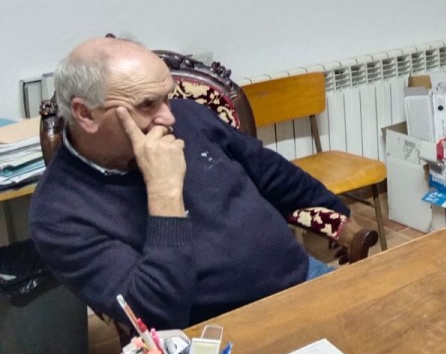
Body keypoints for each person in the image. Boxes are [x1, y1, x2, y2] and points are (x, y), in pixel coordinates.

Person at [30, 37, 350, 330]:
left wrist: (341, 219)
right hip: (213, 334)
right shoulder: (57, 213)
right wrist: (164, 191)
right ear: (86, 114)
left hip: (303, 279)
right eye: (146, 105)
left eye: (166, 98)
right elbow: (156, 316)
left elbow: (271, 172)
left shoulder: (188, 117)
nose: (170, 118)